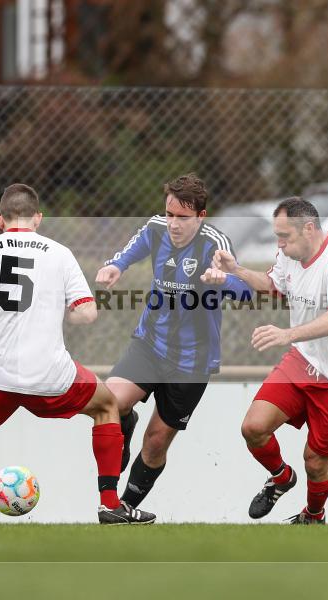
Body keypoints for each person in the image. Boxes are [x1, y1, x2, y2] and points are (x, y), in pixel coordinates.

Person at [0, 183, 155, 525]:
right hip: (51, 374)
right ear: (38, 219)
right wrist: (64, 312)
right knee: (107, 405)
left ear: (0, 220)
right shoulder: (60, 253)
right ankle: (109, 504)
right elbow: (87, 313)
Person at [208, 197, 328, 524]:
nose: (279, 244)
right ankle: (281, 478)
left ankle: (313, 515)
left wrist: (287, 334)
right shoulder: (289, 255)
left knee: (315, 461)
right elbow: (273, 284)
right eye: (277, 236)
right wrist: (236, 270)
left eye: (284, 236)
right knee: (253, 428)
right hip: (303, 358)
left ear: (309, 228)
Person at [94, 173, 251, 511]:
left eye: (183, 217)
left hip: (192, 362)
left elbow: (246, 290)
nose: (174, 224)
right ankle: (125, 426)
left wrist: (223, 280)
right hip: (150, 344)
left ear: (201, 216)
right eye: (170, 214)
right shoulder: (155, 228)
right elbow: (127, 252)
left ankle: (123, 509)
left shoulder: (215, 243)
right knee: (111, 403)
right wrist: (116, 267)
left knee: (155, 444)